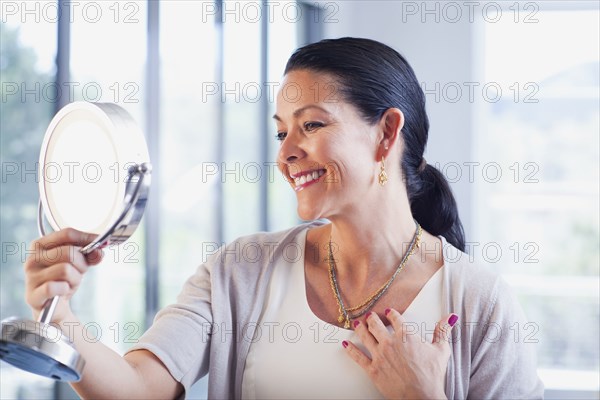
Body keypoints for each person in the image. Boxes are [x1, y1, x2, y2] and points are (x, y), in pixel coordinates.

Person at [24, 37, 543, 399]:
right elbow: (137, 390)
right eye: (281, 132)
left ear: (386, 133)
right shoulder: (241, 271)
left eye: (311, 125)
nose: (287, 153)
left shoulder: (479, 304)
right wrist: (63, 318)